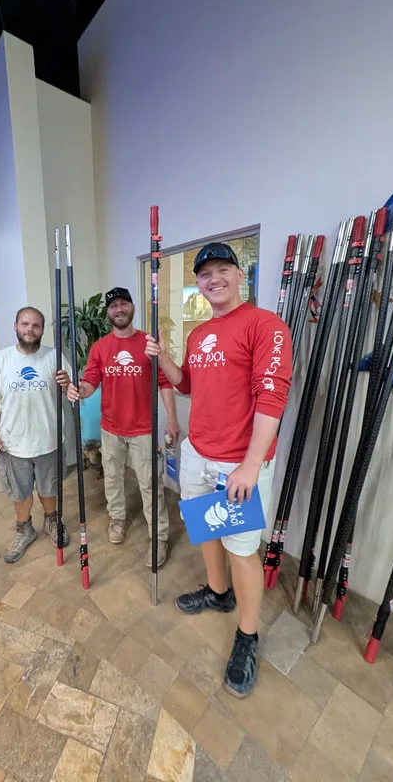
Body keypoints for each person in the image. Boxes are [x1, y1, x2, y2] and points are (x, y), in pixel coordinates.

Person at [145, 243, 292, 698]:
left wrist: (250, 464)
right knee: (205, 530)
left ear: (239, 274)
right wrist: (161, 356)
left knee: (242, 547)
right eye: (205, 274)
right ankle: (217, 591)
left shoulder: (265, 325)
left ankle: (247, 636)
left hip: (238, 462)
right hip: (198, 452)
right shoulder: (199, 333)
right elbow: (186, 383)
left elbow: (272, 398)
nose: (214, 279)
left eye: (223, 269)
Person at [65, 287, 180, 568]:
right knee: (114, 479)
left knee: (150, 484)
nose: (119, 309)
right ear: (108, 313)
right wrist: (80, 390)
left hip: (144, 429)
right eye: (113, 305)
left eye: (123, 304)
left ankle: (158, 535)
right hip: (111, 429)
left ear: (132, 307)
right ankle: (117, 519)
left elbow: (165, 382)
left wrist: (173, 419)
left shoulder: (148, 343)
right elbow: (91, 380)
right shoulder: (100, 347)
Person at [0, 306, 71, 563]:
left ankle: (51, 522)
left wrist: (68, 385)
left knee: (49, 486)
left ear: (42, 330)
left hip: (49, 440)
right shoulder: (0, 360)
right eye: (25, 324)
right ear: (16, 326)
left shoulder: (54, 357)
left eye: (36, 326)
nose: (30, 330)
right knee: (19, 492)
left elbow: (72, 391)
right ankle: (24, 529)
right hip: (13, 443)